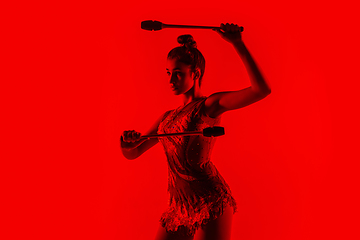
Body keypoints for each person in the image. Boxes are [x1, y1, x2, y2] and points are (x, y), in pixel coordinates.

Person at [120, 23, 271, 240]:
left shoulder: (209, 105)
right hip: (178, 207)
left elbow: (261, 90)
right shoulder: (166, 118)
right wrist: (126, 144)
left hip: (210, 201)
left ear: (196, 73)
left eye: (178, 74)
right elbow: (133, 153)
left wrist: (238, 44)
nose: (171, 80)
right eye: (168, 73)